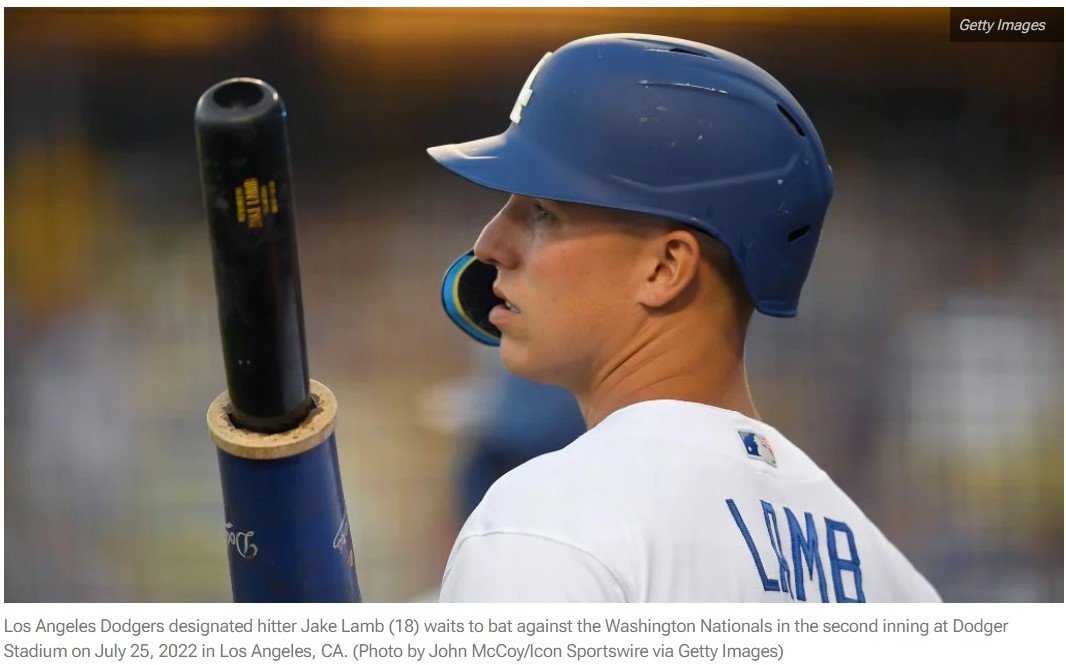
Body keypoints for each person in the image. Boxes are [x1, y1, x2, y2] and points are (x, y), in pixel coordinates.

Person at [429, 33, 940, 602]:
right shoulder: (893, 582)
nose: (488, 243)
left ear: (666, 267)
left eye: (544, 211)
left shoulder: (546, 524)